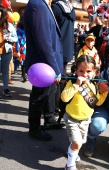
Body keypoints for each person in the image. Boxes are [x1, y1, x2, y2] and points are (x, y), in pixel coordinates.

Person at [24, 0, 63, 141]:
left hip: (46, 63)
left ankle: (48, 120)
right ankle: (34, 128)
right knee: (39, 96)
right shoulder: (37, 5)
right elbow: (43, 42)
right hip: (43, 65)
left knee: (47, 94)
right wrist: (55, 68)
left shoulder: (43, 4)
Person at [61, 55, 108, 170]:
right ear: (76, 71)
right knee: (77, 143)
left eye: (88, 71)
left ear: (94, 73)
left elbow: (96, 103)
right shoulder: (72, 83)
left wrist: (105, 93)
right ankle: (70, 165)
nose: (84, 74)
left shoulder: (93, 86)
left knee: (81, 142)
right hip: (72, 119)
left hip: (85, 120)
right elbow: (64, 98)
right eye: (81, 71)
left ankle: (72, 151)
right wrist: (77, 84)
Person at [0, 5, 18, 97]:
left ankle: (6, 89)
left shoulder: (9, 25)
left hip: (6, 52)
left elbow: (16, 38)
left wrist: (9, 38)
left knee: (5, 72)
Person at [16, 16, 27, 83]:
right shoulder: (28, 28)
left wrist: (17, 49)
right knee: (27, 60)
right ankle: (25, 75)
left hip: (22, 46)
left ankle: (23, 76)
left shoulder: (19, 29)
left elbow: (17, 39)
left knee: (23, 60)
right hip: (28, 45)